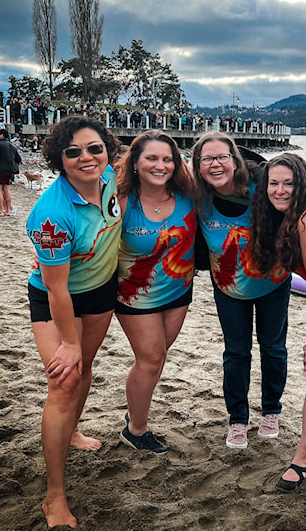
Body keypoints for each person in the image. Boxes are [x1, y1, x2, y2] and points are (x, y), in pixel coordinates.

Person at [25, 115, 123, 528]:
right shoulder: (51, 215)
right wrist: (67, 342)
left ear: (108, 152)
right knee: (64, 380)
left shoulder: (112, 178)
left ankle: (73, 432)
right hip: (56, 297)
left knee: (84, 372)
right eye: (74, 152)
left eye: (94, 148)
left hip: (101, 291)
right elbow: (56, 289)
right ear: (59, 160)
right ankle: (55, 495)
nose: (86, 157)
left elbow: (152, 154)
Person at [192, 131, 291, 449]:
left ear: (235, 161)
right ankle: (237, 419)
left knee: (273, 347)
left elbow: (303, 207)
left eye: (222, 156)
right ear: (198, 166)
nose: (215, 164)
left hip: (273, 282)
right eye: (207, 159)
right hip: (227, 286)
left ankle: (271, 411)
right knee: (236, 352)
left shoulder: (262, 189)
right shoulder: (196, 196)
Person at [250, 152, 306, 493]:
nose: (280, 190)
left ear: (302, 183)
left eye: (289, 183)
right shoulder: (285, 216)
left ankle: (303, 458)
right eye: (274, 183)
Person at [114, 130, 197, 454]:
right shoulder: (121, 202)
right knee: (149, 360)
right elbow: (88, 233)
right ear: (135, 162)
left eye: (167, 159)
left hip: (178, 292)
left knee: (157, 358)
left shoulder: (189, 197)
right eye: (152, 158)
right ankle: (136, 429)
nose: (160, 165)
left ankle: (136, 407)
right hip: (134, 296)